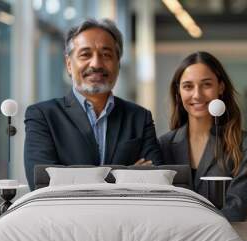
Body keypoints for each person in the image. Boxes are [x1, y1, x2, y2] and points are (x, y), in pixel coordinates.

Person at [24, 18, 162, 190]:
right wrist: (125, 177)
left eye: (106, 55)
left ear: (118, 64)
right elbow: (43, 184)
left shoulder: (140, 118)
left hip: (126, 216)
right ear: (68, 64)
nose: (96, 64)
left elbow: (155, 181)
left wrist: (72, 179)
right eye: (85, 54)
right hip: (65, 217)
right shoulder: (43, 116)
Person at [159, 51, 247, 222]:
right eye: (188, 86)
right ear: (178, 92)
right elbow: (161, 209)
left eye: (206, 85)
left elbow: (236, 210)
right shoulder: (163, 145)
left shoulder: (243, 143)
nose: (197, 95)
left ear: (221, 87)